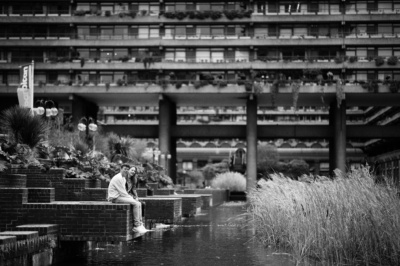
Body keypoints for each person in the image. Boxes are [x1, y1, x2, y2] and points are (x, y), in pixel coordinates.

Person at [108, 164, 147, 234]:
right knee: (136, 203)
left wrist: (133, 198)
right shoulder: (118, 178)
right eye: (124, 169)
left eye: (127, 169)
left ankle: (140, 224)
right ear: (121, 169)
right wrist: (132, 198)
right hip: (115, 198)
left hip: (120, 196)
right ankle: (136, 226)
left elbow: (125, 192)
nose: (126, 170)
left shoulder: (123, 178)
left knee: (139, 203)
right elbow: (123, 192)